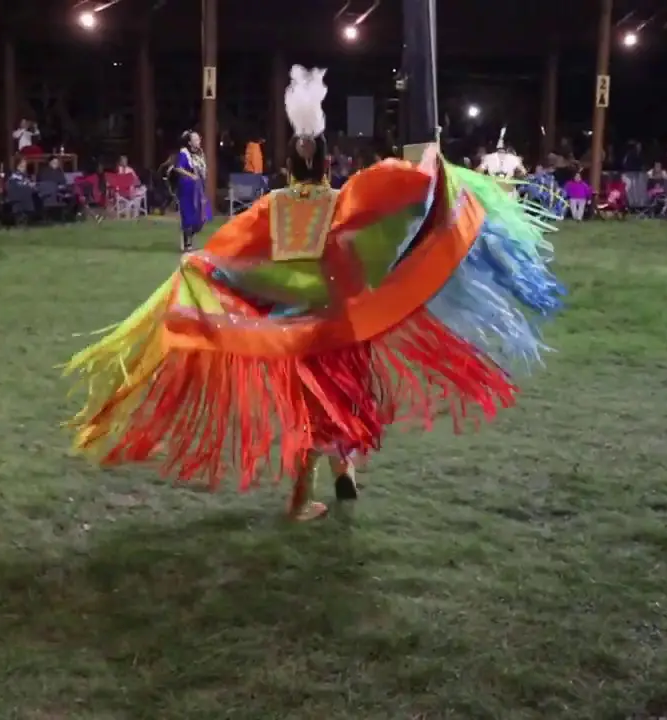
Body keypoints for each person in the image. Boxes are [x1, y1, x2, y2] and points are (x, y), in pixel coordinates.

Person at [64, 65, 565, 522]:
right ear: (327, 161)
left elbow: (234, 254)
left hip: (299, 331)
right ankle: (330, 481)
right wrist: (429, 165)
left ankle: (315, 492)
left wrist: (203, 268)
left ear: (288, 166)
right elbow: (395, 195)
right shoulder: (342, 201)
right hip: (345, 324)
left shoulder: (271, 206)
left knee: (312, 412)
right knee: (348, 399)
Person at [174, 129, 211, 252]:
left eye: (198, 139)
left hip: (198, 188)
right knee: (188, 215)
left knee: (202, 216)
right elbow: (178, 168)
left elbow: (203, 170)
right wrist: (191, 176)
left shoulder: (200, 154)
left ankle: (191, 237)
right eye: (195, 139)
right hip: (187, 188)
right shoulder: (184, 153)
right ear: (189, 142)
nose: (198, 141)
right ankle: (187, 244)